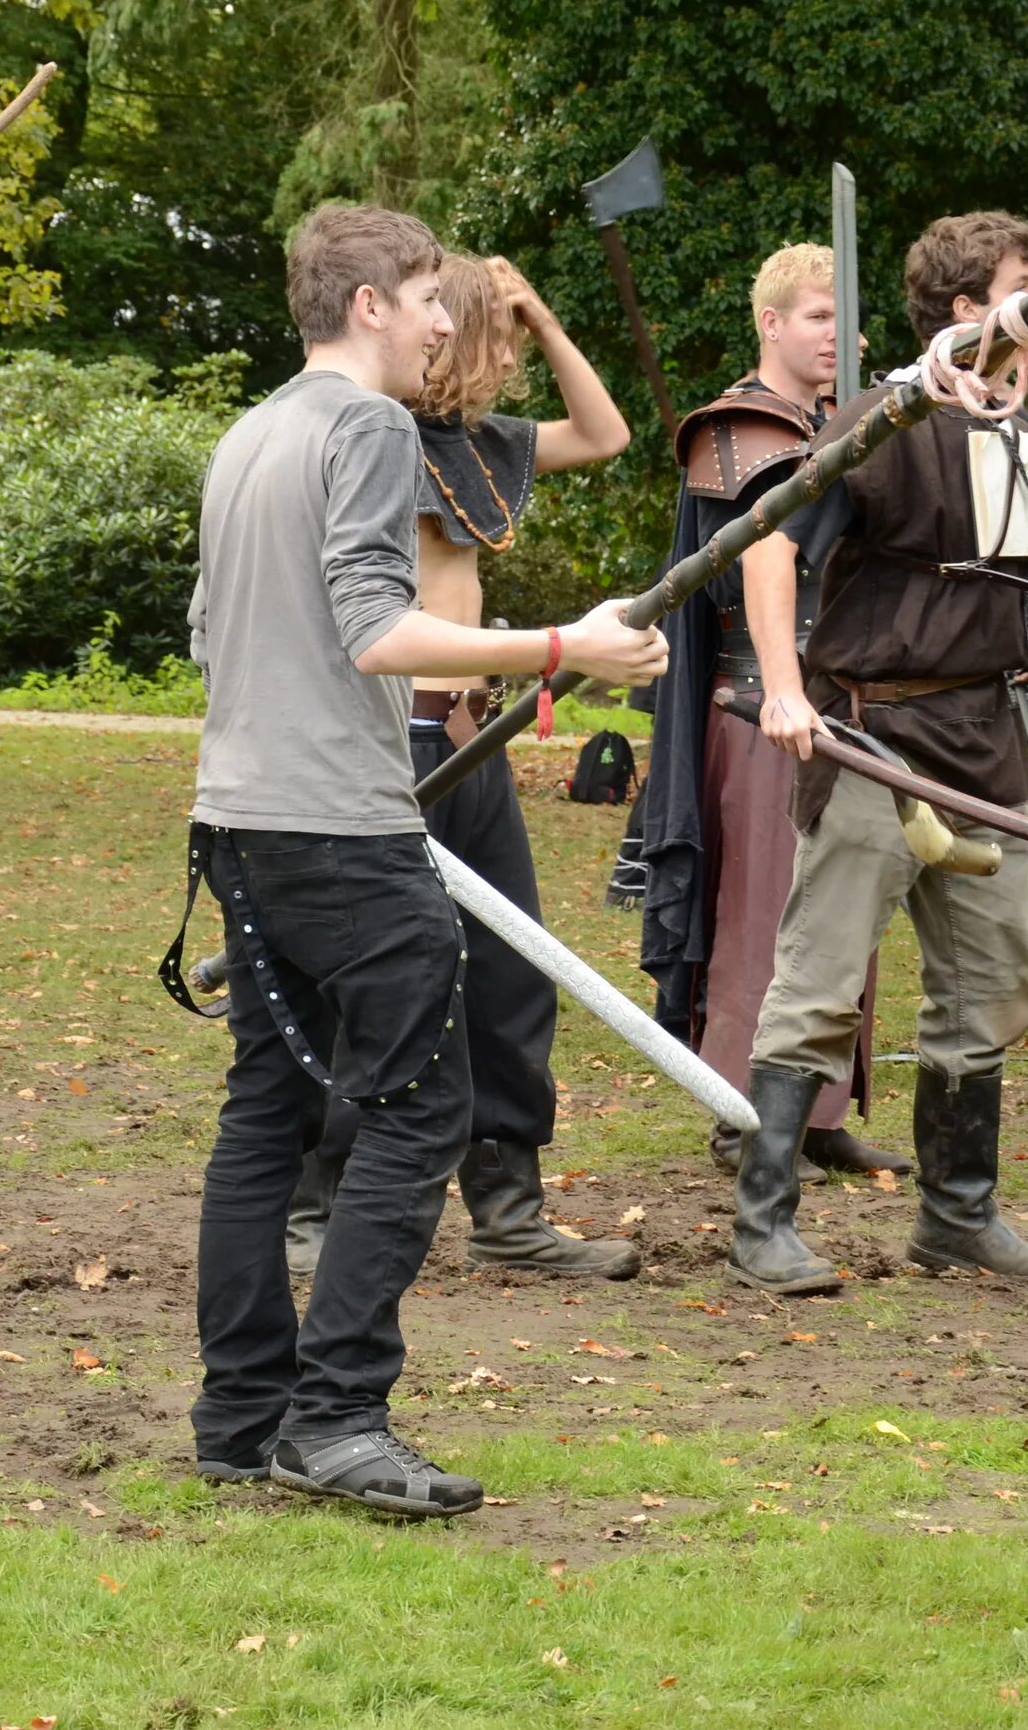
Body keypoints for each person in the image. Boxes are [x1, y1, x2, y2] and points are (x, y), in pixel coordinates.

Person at [181, 202, 665, 1517]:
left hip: (239, 814)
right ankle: (334, 1417)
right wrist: (568, 645)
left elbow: (207, 631)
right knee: (419, 1108)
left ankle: (240, 1416)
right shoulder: (366, 427)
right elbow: (376, 633)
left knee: (268, 1114)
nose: (447, 318)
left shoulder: (248, 433)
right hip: (341, 822)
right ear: (366, 306)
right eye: (423, 295)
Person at [731, 212, 1028, 1294]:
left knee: (992, 981)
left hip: (985, 747)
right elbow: (769, 548)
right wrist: (788, 690)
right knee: (819, 985)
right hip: (872, 740)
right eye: (1024, 286)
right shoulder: (883, 421)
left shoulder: (1007, 435)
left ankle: (955, 1214)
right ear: (966, 310)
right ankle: (763, 1223)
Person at [284, 252, 641, 1284]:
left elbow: (608, 434)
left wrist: (543, 310)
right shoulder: (364, 435)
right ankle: (322, 1203)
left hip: (476, 741)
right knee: (380, 979)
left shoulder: (481, 446)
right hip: (394, 742)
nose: (499, 361)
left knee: (512, 974)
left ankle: (508, 1207)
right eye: (493, 337)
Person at [637, 243, 913, 1187]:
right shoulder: (739, 431)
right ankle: (743, 1109)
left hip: (837, 706)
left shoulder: (839, 423)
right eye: (818, 316)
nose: (842, 334)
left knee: (841, 917)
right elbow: (769, 552)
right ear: (770, 323)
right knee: (766, 922)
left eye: (848, 318)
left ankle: (818, 1109)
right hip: (760, 708)